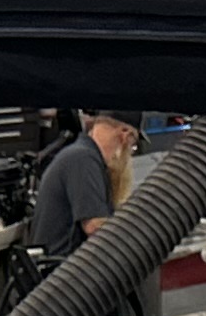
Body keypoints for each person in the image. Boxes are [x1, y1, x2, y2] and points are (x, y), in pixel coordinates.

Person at [26, 109, 139, 266]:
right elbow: (95, 227)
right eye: (133, 146)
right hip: (62, 272)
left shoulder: (87, 156)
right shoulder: (83, 159)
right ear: (125, 136)